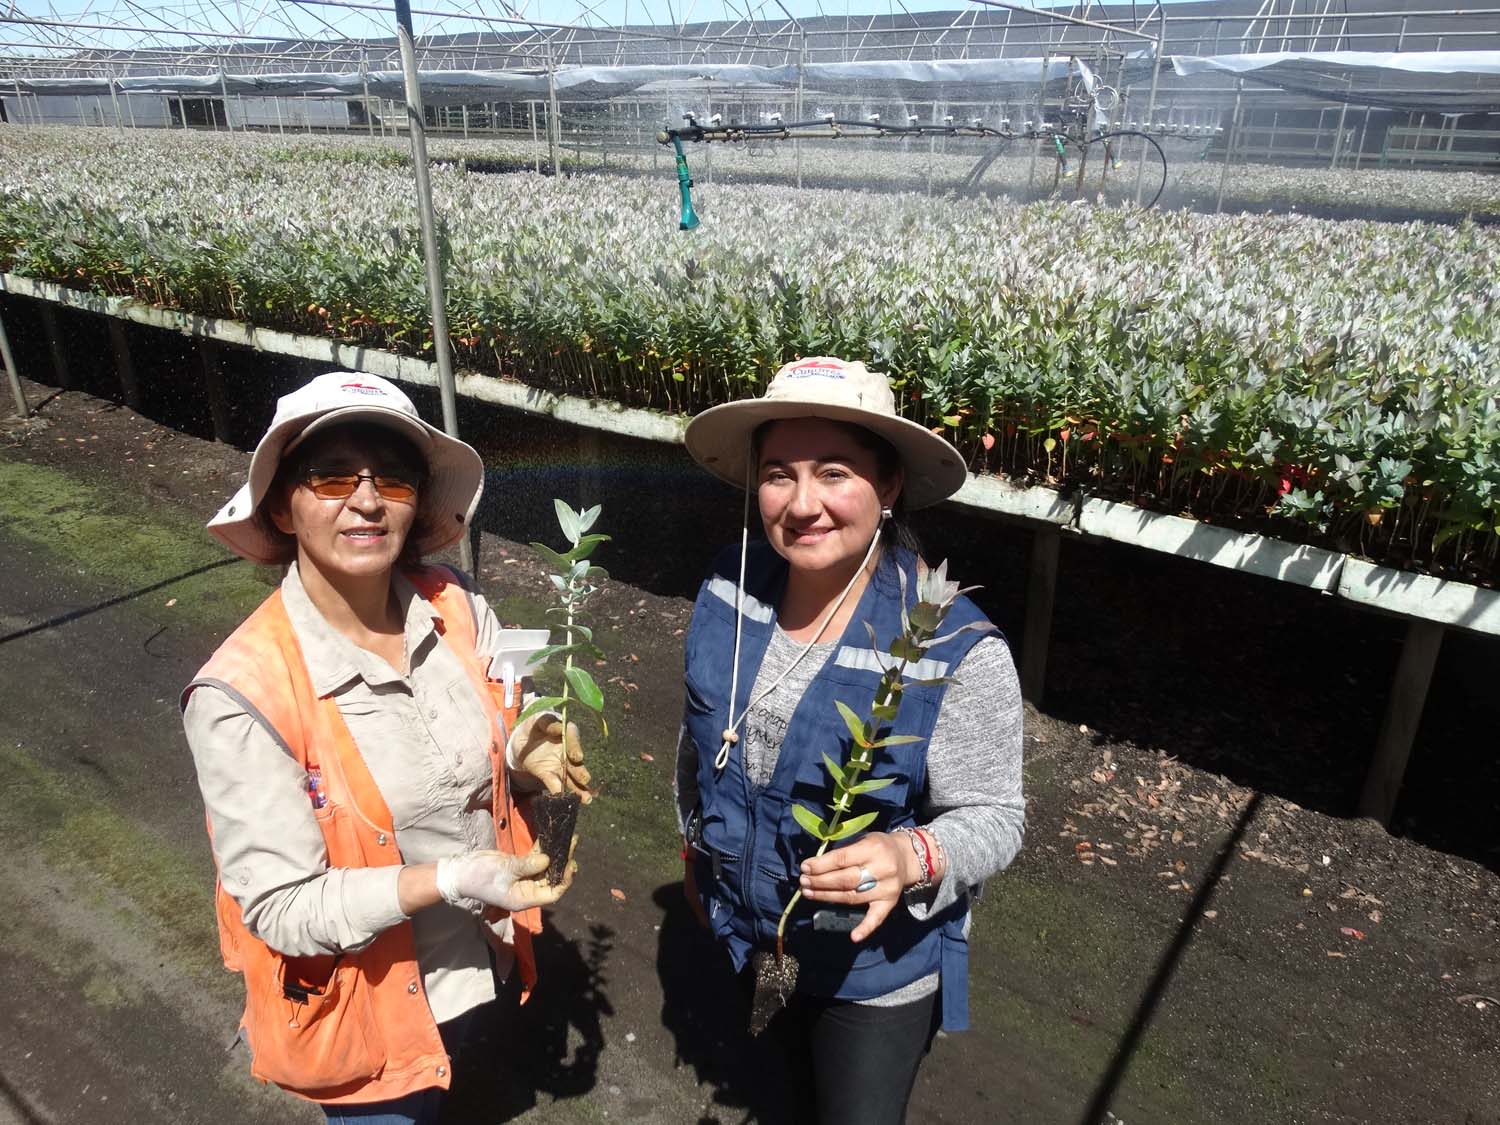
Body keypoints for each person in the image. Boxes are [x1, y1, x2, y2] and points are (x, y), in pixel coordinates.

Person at [181, 371, 590, 1123]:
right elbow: (282, 905)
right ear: (281, 504)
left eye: (393, 479)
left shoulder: (456, 606)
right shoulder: (243, 693)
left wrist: (527, 748)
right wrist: (452, 877)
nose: (366, 499)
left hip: (474, 967)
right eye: (333, 475)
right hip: (363, 1007)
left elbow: (504, 716)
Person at [675, 356, 1026, 1124]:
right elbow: (700, 737)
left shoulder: (952, 646)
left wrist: (910, 856)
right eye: (778, 473)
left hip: (875, 971)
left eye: (833, 472)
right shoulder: (728, 587)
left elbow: (997, 816)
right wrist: (694, 848)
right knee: (774, 1094)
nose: (802, 504)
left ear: (889, 485)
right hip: (749, 931)